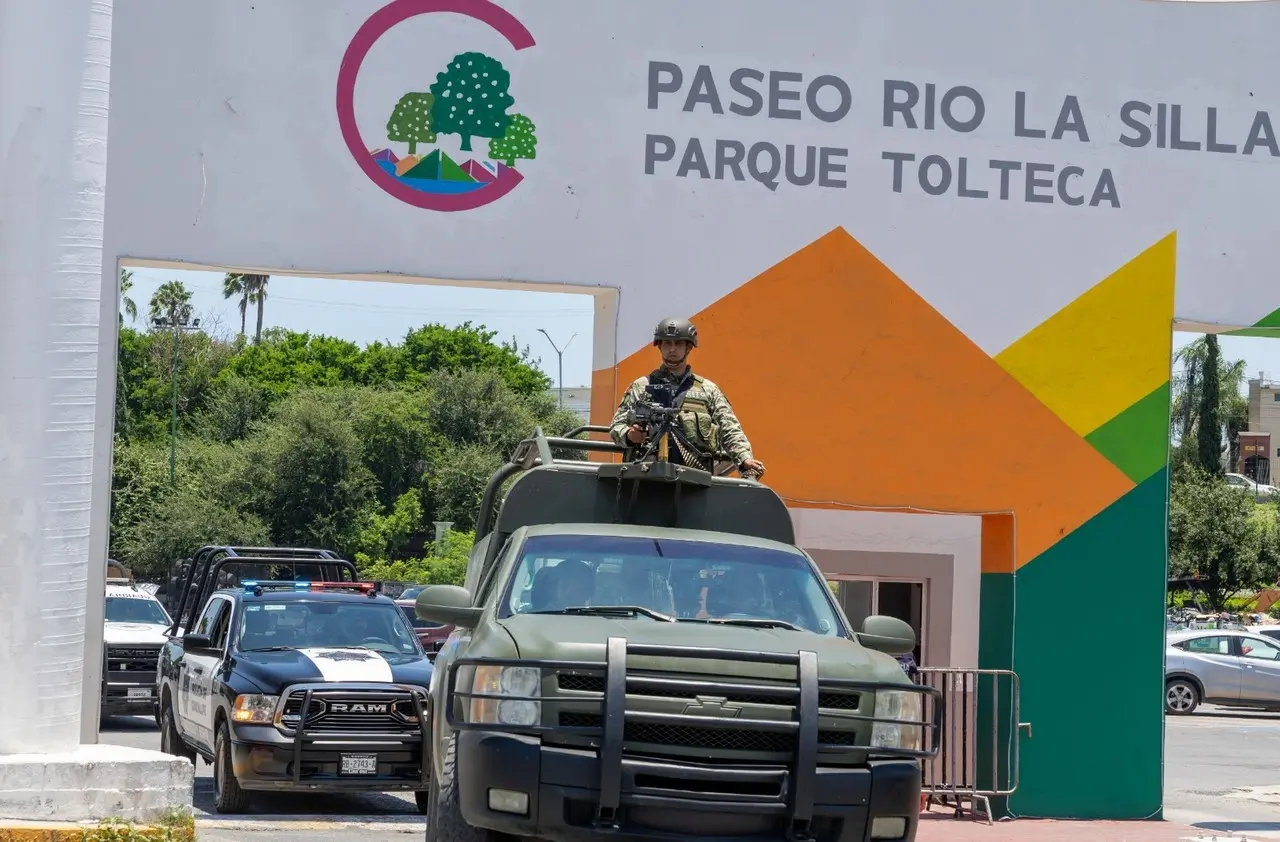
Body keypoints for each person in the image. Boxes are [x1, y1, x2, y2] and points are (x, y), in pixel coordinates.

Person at [610, 316, 766, 478]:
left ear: (689, 347)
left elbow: (729, 428)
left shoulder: (707, 390)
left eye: (678, 344)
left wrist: (744, 458)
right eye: (667, 343)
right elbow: (616, 427)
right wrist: (629, 435)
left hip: (694, 479)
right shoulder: (642, 386)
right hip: (646, 478)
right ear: (660, 346)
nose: (672, 349)